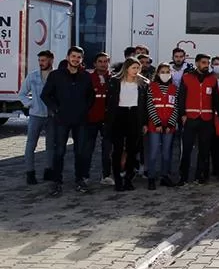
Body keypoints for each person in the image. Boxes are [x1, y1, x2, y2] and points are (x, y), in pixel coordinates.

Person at [41, 46, 94, 197]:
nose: (76, 59)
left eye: (79, 57)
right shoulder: (56, 75)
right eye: (73, 56)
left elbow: (91, 96)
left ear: (82, 60)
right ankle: (57, 182)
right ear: (67, 57)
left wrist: (85, 109)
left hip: (81, 120)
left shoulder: (85, 77)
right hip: (61, 120)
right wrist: (56, 109)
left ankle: (80, 180)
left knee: (80, 152)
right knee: (59, 151)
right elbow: (45, 95)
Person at [105, 57, 149, 191]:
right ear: (127, 68)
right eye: (133, 68)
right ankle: (117, 179)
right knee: (117, 149)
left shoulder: (143, 83)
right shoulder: (115, 81)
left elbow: (146, 105)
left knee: (132, 149)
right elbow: (109, 102)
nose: (136, 71)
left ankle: (129, 179)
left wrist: (144, 123)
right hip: (119, 115)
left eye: (138, 68)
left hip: (135, 115)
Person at [177, 54, 218, 185]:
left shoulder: (212, 79)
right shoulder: (187, 77)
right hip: (190, 118)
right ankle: (183, 176)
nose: (206, 65)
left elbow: (215, 100)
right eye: (204, 62)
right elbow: (181, 97)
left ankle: (200, 175)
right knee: (187, 149)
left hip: (206, 119)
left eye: (208, 63)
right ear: (197, 63)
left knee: (204, 150)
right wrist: (182, 114)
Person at [19, 50, 55, 185]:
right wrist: (30, 104)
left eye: (44, 60)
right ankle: (30, 173)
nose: (41, 63)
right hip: (35, 115)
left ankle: (48, 170)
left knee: (51, 144)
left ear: (51, 60)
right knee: (31, 144)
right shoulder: (33, 76)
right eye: (40, 60)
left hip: (51, 115)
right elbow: (22, 94)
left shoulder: (56, 76)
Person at [145, 62, 180, 188]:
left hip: (169, 126)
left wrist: (171, 123)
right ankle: (151, 177)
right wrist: (157, 122)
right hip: (155, 125)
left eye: (167, 72)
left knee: (166, 152)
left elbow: (176, 107)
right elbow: (150, 106)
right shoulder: (152, 87)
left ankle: (165, 176)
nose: (165, 74)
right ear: (158, 73)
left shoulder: (174, 88)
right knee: (154, 152)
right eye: (162, 72)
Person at [82, 52, 113, 184]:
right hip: (91, 118)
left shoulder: (113, 79)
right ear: (95, 63)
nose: (103, 64)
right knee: (88, 148)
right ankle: (84, 175)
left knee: (107, 149)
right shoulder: (87, 78)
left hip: (107, 119)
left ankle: (106, 175)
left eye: (105, 61)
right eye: (100, 61)